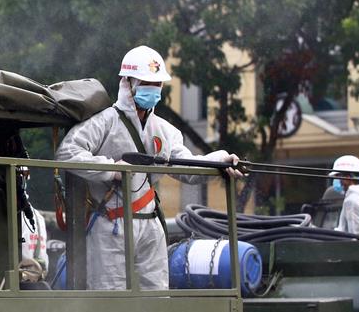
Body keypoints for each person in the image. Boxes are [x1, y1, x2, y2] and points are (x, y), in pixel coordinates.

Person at [55, 45, 243, 290]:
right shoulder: (103, 123)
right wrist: (112, 169)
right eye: (146, 83)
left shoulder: (165, 130)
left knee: (156, 297)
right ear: (128, 82)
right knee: (110, 297)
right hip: (111, 225)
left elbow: (186, 168)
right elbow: (67, 153)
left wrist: (219, 161)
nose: (153, 89)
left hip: (151, 225)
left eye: (157, 84)